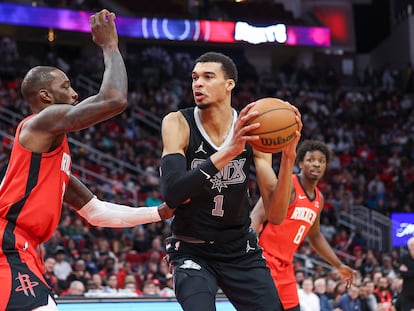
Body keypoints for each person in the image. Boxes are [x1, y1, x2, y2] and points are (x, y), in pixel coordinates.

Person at [0, 9, 173, 311]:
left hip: (24, 250)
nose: (76, 93)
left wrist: (159, 213)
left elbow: (96, 212)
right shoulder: (39, 122)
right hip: (7, 248)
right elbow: (114, 100)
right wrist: (109, 46)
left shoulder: (49, 163)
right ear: (45, 97)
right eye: (65, 87)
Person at [159, 51, 302, 311]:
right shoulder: (178, 122)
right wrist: (228, 152)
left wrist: (289, 158)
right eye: (194, 78)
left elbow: (277, 214)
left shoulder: (253, 129)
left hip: (240, 249)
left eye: (207, 77)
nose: (197, 84)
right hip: (192, 251)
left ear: (229, 84)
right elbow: (171, 193)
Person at [250, 140, 355, 311]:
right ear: (300, 163)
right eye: (311, 159)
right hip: (264, 261)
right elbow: (257, 215)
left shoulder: (319, 199)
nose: (316, 164)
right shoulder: (289, 183)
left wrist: (338, 264)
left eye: (321, 161)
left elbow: (315, 236)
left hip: (286, 268)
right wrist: (249, 254)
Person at [398, 236, 414, 311]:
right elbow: (403, 274)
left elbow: (407, 273)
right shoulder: (403, 258)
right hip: (407, 292)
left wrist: (409, 271)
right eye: (412, 245)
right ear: (409, 247)